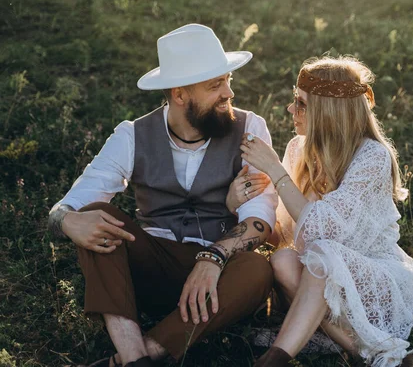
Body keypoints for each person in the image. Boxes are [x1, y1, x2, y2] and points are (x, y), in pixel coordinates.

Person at [47, 24, 276, 367]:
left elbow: (260, 220)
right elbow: (70, 204)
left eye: (228, 80)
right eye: (215, 85)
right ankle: (136, 355)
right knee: (96, 214)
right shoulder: (132, 135)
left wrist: (212, 258)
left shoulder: (249, 128)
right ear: (180, 94)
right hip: (150, 271)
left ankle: (138, 357)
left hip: (217, 276)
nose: (229, 93)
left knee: (257, 270)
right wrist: (66, 221)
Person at [237, 55, 413, 366]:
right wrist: (239, 205)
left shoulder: (372, 157)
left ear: (328, 111)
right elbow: (285, 235)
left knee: (324, 254)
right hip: (320, 278)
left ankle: (274, 359)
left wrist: (276, 171)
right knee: (285, 259)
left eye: (301, 103)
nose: (291, 110)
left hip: (371, 273)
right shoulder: (298, 150)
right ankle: (380, 358)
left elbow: (324, 230)